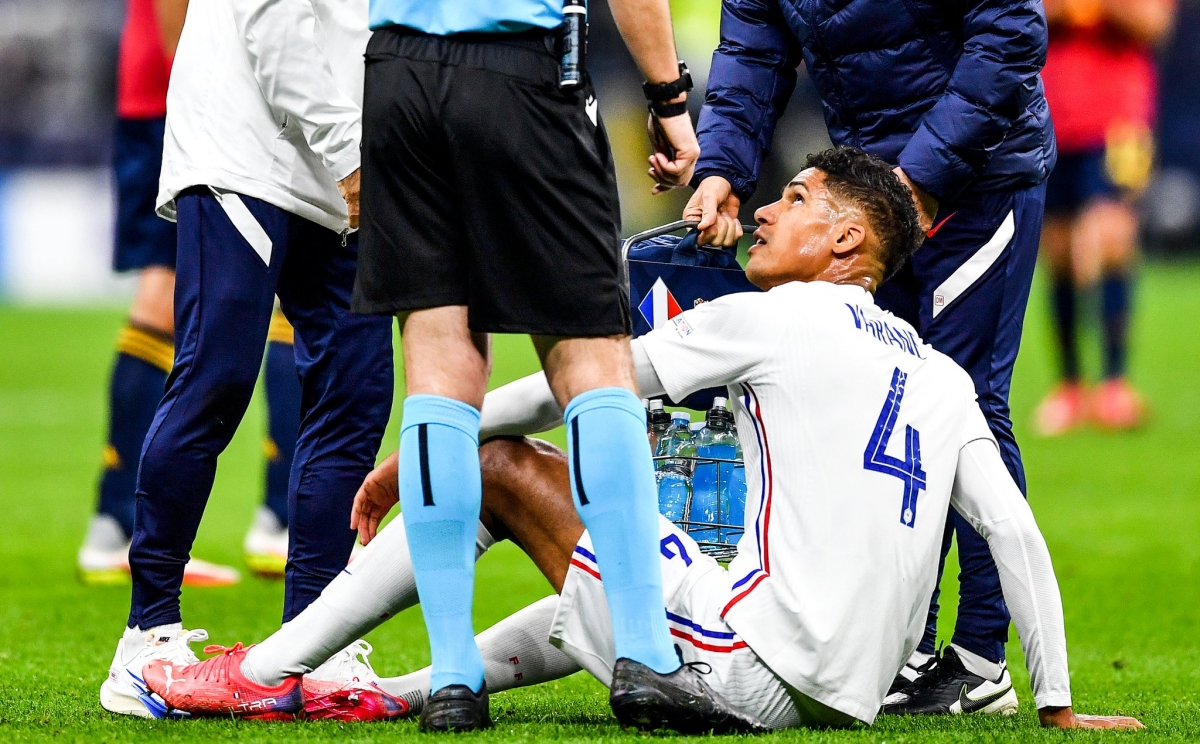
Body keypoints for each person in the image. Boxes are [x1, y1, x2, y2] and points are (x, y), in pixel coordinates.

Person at [143, 149, 1142, 732]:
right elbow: (1013, 533)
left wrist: (425, 448)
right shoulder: (939, 374)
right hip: (843, 696)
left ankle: (261, 673)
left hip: (748, 668)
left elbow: (571, 392)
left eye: (795, 199)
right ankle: (394, 692)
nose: (764, 210)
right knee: (626, 543)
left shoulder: (783, 317)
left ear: (846, 247)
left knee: (499, 473)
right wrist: (1054, 703)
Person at [676, 0, 1057, 714]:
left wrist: (925, 173)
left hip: (977, 176)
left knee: (964, 400)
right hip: (874, 189)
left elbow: (1010, 30)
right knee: (880, 403)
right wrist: (722, 167)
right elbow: (753, 53)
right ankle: (906, 646)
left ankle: (981, 656)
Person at [346, 0, 705, 732]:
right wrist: (669, 100)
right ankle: (646, 655)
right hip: (524, 72)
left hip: (397, 73)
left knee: (439, 372)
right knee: (592, 363)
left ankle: (453, 679)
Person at [98, 0, 394, 719]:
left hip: (340, 157)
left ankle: (312, 644)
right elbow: (275, 20)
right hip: (245, 149)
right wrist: (352, 153)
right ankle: (146, 638)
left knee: (355, 391)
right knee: (217, 375)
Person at [77, 0, 304, 587]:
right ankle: (282, 519)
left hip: (166, 91)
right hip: (197, 96)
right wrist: (196, 85)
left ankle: (116, 522)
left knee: (170, 291)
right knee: (288, 288)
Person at [1032, 0, 1176, 436]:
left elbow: (1154, 24)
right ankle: (1070, 387)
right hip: (1048, 120)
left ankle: (1115, 384)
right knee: (1057, 249)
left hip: (1122, 122)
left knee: (1113, 236)